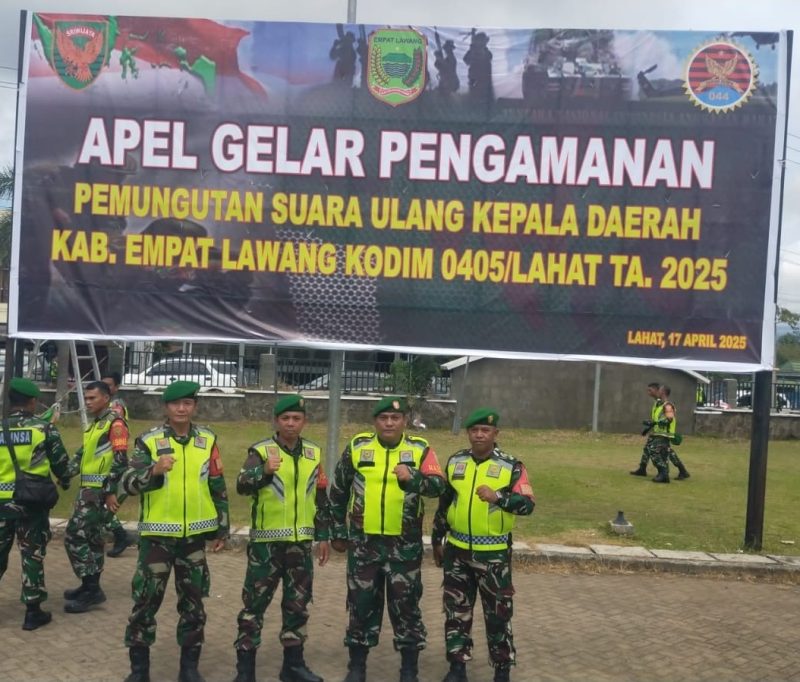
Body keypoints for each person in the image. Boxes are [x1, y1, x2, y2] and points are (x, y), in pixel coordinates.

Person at [329, 396, 445, 682]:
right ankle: (357, 667)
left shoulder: (420, 449)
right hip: (364, 545)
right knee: (360, 605)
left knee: (406, 607)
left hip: (403, 547)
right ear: (375, 422)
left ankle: (409, 670)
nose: (389, 423)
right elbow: (338, 491)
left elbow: (438, 486)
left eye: (395, 418)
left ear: (404, 421)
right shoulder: (358, 447)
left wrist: (413, 478)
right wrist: (338, 531)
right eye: (383, 418)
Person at [121, 381, 229, 682]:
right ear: (166, 407)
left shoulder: (208, 439)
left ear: (195, 406)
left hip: (193, 540)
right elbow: (128, 482)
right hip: (157, 539)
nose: (181, 409)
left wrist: (222, 528)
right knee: (145, 603)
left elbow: (217, 484)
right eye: (175, 404)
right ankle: (139, 671)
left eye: (187, 403)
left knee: (193, 605)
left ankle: (189, 669)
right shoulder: (149, 441)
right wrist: (153, 471)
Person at [431, 408, 535, 682]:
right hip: (457, 552)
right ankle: (457, 667)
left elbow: (527, 505)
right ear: (468, 433)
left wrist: (499, 498)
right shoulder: (456, 461)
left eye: (485, 430)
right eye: (474, 430)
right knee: (456, 612)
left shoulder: (511, 466)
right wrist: (437, 539)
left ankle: (502, 669)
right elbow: (445, 503)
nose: (479, 435)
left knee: (498, 615)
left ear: (495, 433)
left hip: (493, 556)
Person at [233, 394, 330, 682]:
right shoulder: (261, 451)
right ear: (276, 421)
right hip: (266, 546)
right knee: (254, 607)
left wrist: (323, 535)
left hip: (300, 544)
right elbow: (242, 485)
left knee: (297, 606)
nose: (290, 423)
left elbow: (320, 498)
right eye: (285, 418)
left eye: (296, 418)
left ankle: (293, 667)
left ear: (304, 422)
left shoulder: (313, 453)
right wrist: (263, 472)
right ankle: (245, 671)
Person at [0, 377, 71, 630]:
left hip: (1, 504)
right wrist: (64, 480)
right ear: (32, 402)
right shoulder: (43, 429)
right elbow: (61, 463)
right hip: (32, 502)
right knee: (32, 554)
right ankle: (33, 612)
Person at [63, 380, 130, 613]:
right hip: (89, 489)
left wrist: (110, 491)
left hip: (99, 492)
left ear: (106, 398)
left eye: (92, 398)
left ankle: (91, 588)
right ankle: (89, 587)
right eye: (86, 398)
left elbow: (121, 461)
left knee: (74, 535)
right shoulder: (96, 424)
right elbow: (83, 454)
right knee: (92, 539)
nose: (88, 402)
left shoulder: (115, 423)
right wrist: (65, 474)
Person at [101, 371, 134, 557]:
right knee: (100, 507)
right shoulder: (105, 405)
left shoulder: (116, 407)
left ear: (116, 388)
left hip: (114, 461)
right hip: (103, 461)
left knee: (104, 509)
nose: (105, 387)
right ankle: (120, 535)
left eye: (109, 385)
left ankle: (121, 536)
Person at [656, 385, 690, 481]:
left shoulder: (668, 405)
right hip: (662, 433)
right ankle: (682, 471)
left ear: (663, 392)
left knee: (662, 451)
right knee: (667, 451)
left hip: (666, 433)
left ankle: (666, 474)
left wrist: (660, 422)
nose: (658, 392)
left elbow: (670, 418)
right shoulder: (662, 404)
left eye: (659, 390)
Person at [629, 382, 663, 477]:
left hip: (662, 432)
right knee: (647, 448)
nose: (648, 393)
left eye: (650, 390)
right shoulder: (656, 402)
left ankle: (665, 472)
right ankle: (642, 468)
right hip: (655, 430)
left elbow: (664, 418)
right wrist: (648, 428)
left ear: (656, 390)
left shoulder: (662, 403)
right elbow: (655, 418)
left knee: (662, 451)